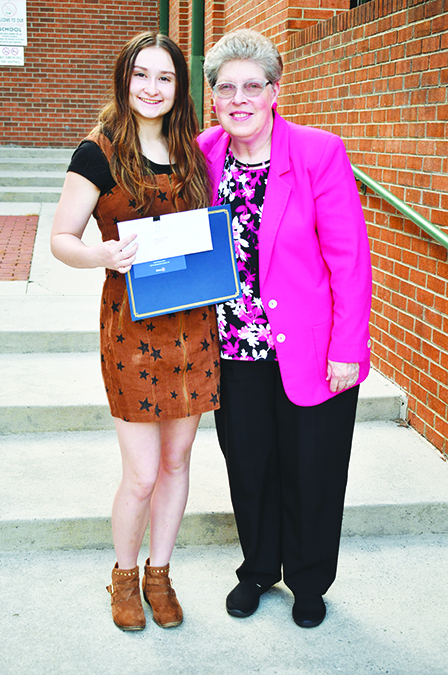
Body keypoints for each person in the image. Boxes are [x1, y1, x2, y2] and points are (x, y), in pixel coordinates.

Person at [199, 29, 372, 628]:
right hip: (232, 350)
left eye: (253, 86)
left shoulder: (318, 152)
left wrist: (348, 347)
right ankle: (258, 569)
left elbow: (349, 259)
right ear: (213, 98)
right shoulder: (203, 154)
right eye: (227, 88)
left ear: (275, 91)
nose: (240, 98)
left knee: (314, 470)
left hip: (313, 349)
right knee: (249, 468)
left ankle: (308, 581)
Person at [51, 32, 220, 632]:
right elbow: (61, 240)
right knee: (142, 472)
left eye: (165, 78)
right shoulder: (97, 151)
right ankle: (123, 575)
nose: (152, 88)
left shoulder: (196, 152)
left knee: (177, 464)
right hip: (131, 329)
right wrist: (106, 254)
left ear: (179, 87)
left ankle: (160, 574)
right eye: (141, 75)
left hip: (194, 325)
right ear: (125, 80)